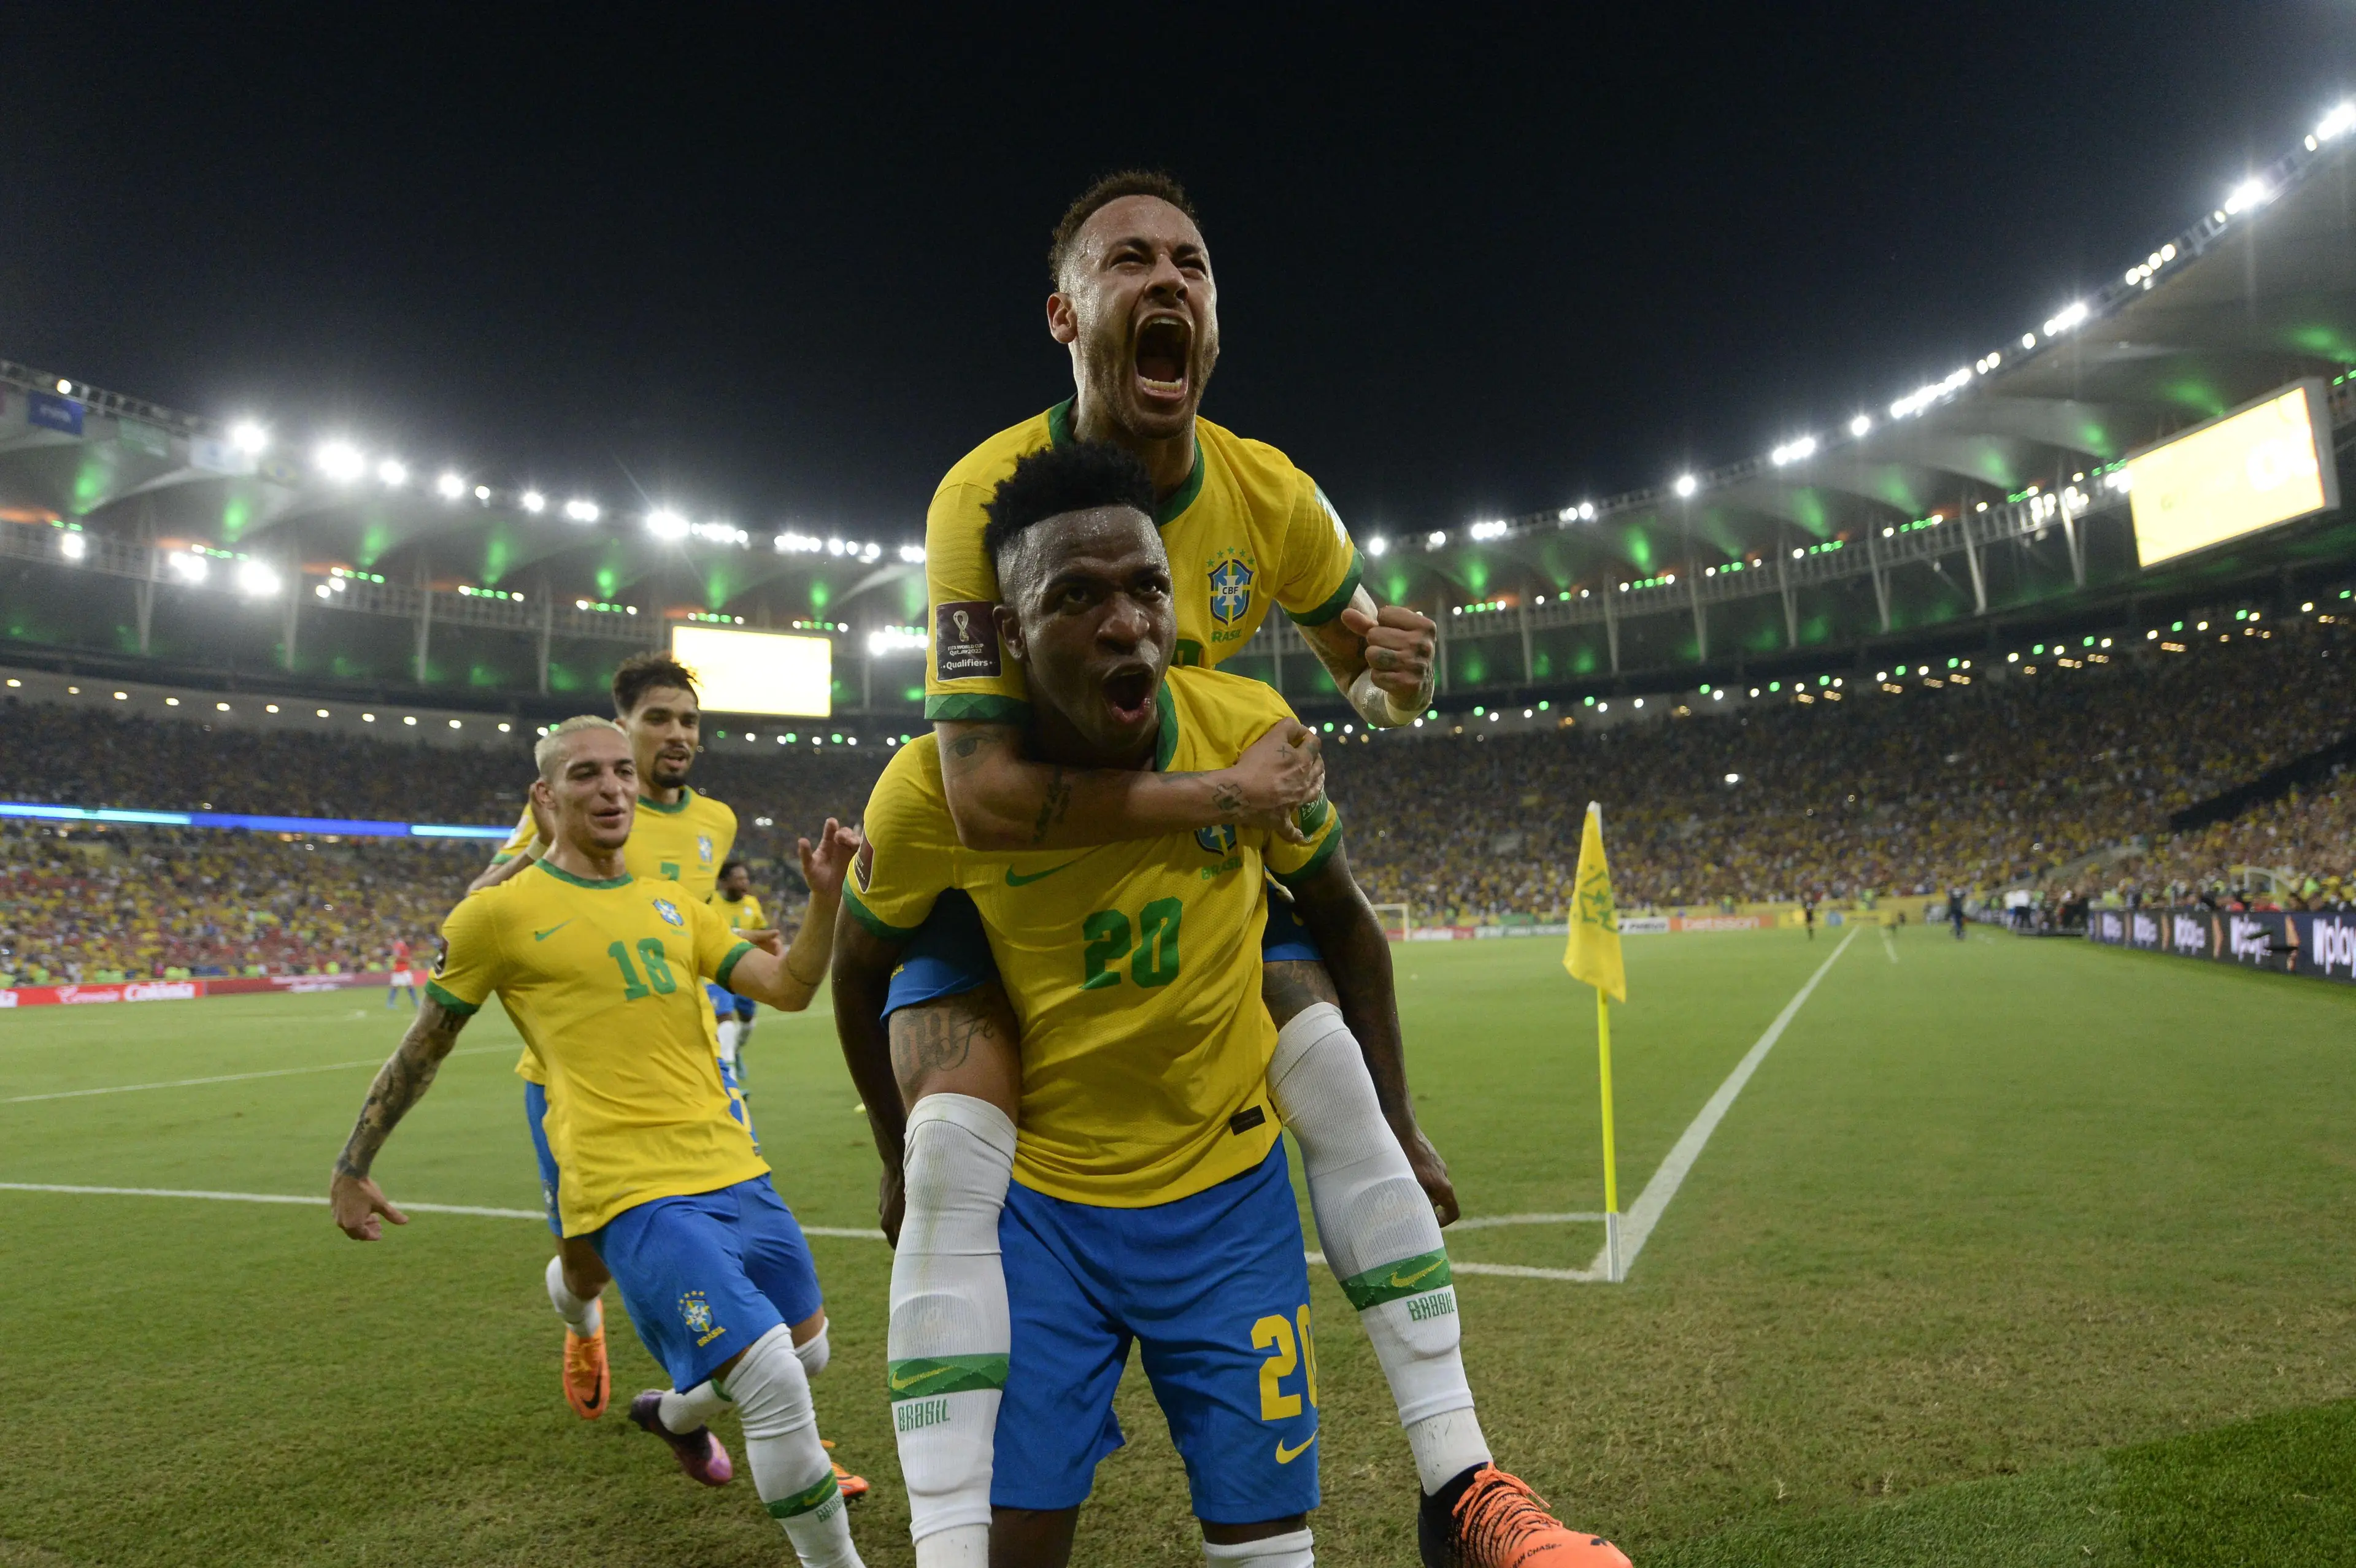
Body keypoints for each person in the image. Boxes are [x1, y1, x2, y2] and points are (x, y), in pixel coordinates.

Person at [882, 172, 1539, 1559]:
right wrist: (1220, 793)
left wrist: (1394, 686)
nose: (1169, 280)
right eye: (1129, 261)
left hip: (1196, 875)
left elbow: (1368, 666)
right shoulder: (981, 500)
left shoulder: (1269, 497)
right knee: (950, 1146)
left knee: (1329, 1062)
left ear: (1215, 316)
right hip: (1013, 887)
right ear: (1065, 313)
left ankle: (1464, 1487)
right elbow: (980, 796)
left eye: (1192, 261)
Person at [834, 445, 1625, 1568]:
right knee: (1018, 1543)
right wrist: (891, 1149)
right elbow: (859, 970)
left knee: (1269, 1548)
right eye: (1077, 596)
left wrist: (1399, 1124)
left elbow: (1344, 919)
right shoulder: (930, 795)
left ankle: (1467, 1490)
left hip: (1228, 1206)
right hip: (1046, 1218)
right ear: (1006, 637)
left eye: (1149, 588)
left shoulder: (1249, 724)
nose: (1128, 625)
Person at [331, 717, 870, 1568]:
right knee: (769, 1379)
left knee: (810, 1355)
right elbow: (422, 1048)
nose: (613, 787)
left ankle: (672, 1415)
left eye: (621, 771)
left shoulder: (671, 901)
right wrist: (352, 1166)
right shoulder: (497, 917)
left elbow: (789, 986)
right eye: (585, 774)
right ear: (545, 798)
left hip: (734, 1168)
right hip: (631, 1191)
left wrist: (826, 901)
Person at [466, 655, 866, 1513]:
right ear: (622, 728)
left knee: (761, 1271)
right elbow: (486, 904)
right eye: (658, 720)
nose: (677, 736)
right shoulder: (568, 810)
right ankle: (583, 1330)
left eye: (688, 721)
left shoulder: (713, 821)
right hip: (576, 1083)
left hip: (692, 1072)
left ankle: (786, 1430)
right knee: (586, 1265)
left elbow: (696, 931)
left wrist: (764, 942)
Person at [710, 859, 766, 1093]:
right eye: (739, 878)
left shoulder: (752, 905)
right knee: (725, 1019)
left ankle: (734, 1051)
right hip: (714, 971)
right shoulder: (710, 902)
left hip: (745, 971)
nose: (745, 883)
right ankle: (731, 1083)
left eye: (746, 878)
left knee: (747, 1022)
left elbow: (761, 933)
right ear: (724, 882)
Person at [385, 936, 418, 1008]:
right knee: (396, 987)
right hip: (399, 970)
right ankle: (390, 1004)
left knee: (409, 985)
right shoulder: (399, 945)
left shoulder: (402, 945)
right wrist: (407, 959)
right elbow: (396, 957)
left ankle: (416, 1002)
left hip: (404, 969)